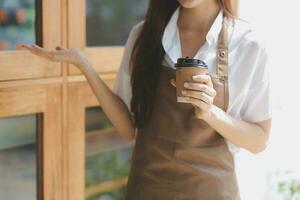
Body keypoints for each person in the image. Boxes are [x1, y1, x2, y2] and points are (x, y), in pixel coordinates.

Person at [20, 0, 272, 199]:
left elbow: (259, 140)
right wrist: (83, 65)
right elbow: (129, 128)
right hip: (146, 190)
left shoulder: (248, 45)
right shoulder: (145, 36)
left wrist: (210, 113)